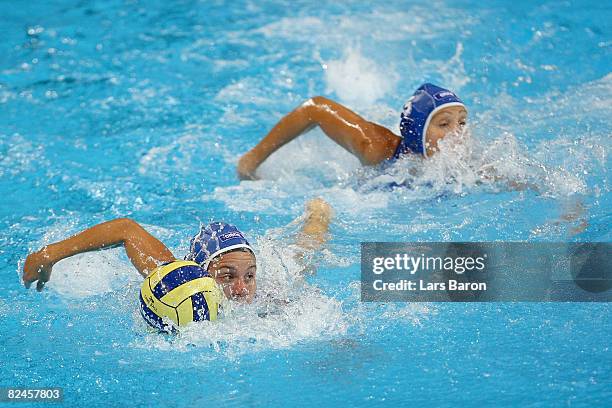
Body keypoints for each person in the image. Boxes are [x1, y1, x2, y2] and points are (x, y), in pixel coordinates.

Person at [22, 198, 333, 305]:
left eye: (249, 276)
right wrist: (48, 255)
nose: (241, 289)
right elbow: (125, 229)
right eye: (227, 275)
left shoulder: (265, 296)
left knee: (304, 253)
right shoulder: (179, 280)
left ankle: (318, 212)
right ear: (200, 271)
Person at [237, 83, 467, 180]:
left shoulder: (465, 167)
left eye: (462, 123)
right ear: (418, 130)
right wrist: (252, 160)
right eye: (444, 124)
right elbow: (315, 107)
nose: (457, 133)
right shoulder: (378, 148)